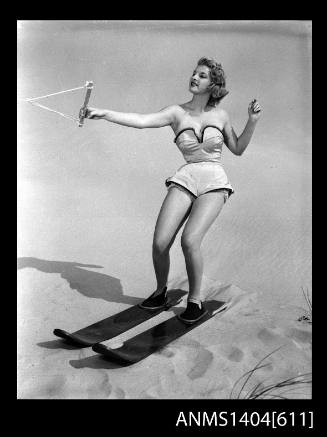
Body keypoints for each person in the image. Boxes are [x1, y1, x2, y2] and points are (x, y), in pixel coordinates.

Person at [84, 57, 261, 324]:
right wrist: (105, 113)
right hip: (186, 177)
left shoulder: (220, 116)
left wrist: (252, 121)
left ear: (213, 83)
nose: (194, 78)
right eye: (193, 73)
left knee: (190, 241)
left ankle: (195, 301)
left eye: (202, 75)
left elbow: (237, 149)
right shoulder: (176, 112)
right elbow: (142, 120)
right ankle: (160, 293)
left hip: (214, 180)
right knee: (160, 243)